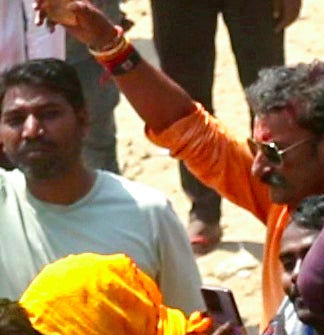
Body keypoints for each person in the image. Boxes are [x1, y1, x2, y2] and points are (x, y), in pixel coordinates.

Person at [0, 59, 200, 308]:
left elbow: (191, 325)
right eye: (15, 120)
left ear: (83, 122)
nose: (31, 131)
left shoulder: (147, 214)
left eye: (49, 114)